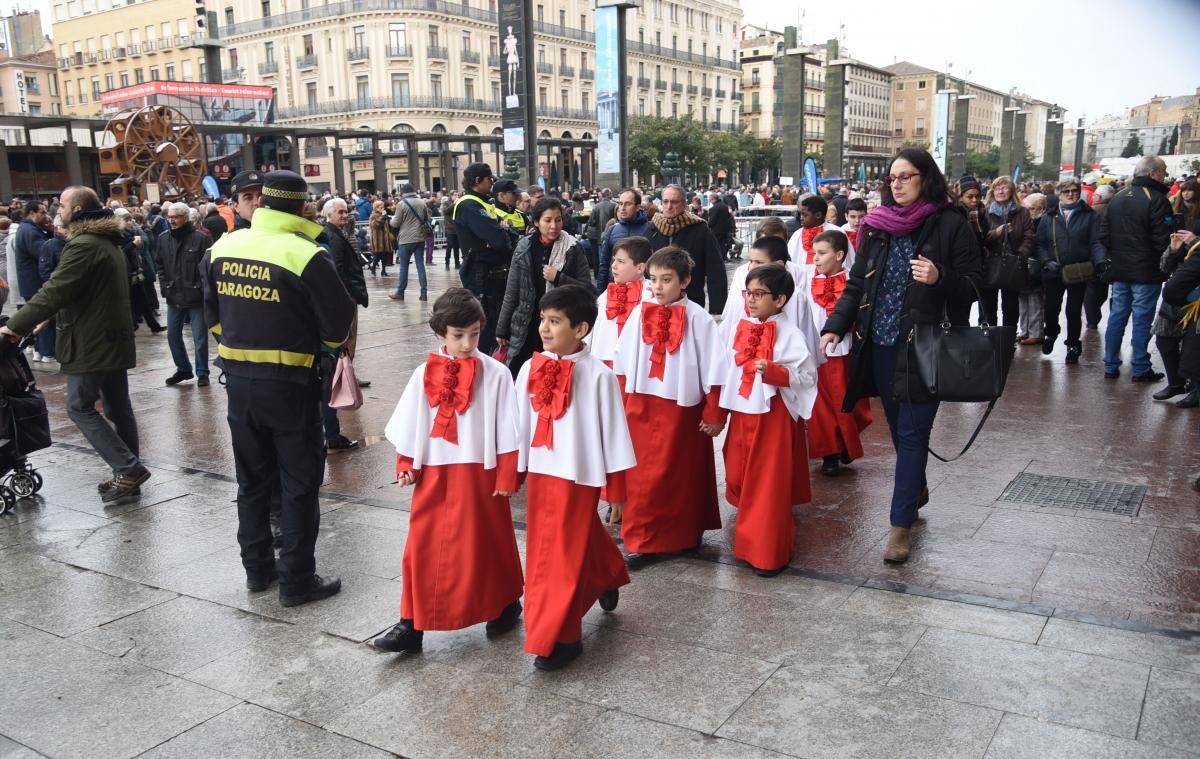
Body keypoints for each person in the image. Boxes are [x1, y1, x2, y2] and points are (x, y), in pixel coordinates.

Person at [819, 148, 983, 564]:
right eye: (892, 178)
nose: (896, 183)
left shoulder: (950, 223)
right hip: (879, 344)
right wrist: (836, 325)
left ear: (926, 178)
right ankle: (916, 488)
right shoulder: (875, 227)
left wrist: (940, 278)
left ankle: (899, 526)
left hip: (925, 346)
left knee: (912, 435)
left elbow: (976, 285)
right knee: (898, 430)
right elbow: (857, 285)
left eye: (905, 176)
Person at [202, 170, 355, 607]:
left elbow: (211, 314)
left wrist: (235, 345)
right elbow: (337, 324)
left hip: (239, 383)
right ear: (302, 205)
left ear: (264, 201)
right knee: (298, 482)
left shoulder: (223, 246)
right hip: (291, 384)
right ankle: (296, 581)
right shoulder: (305, 253)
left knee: (252, 481)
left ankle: (257, 572)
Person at [374, 288, 524, 655]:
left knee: (487, 544)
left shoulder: (498, 373)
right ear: (440, 333)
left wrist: (509, 473)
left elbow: (509, 426)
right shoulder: (422, 373)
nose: (468, 343)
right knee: (421, 548)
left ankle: (504, 604)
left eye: (474, 333)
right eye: (458, 335)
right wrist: (406, 463)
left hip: (481, 472)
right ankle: (411, 623)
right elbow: (410, 423)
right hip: (435, 472)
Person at [0, 186, 151, 503]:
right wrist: (48, 318)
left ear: (79, 210)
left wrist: (13, 327)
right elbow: (82, 293)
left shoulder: (84, 245)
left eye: (64, 205)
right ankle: (128, 474)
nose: (58, 209)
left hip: (93, 340)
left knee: (79, 407)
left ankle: (128, 468)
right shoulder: (104, 242)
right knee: (117, 408)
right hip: (110, 337)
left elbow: (55, 289)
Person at [514, 285, 633, 670]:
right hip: (542, 470)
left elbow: (615, 433)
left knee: (559, 553)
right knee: (554, 543)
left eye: (555, 322)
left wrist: (616, 490)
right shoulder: (531, 367)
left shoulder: (599, 376)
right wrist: (511, 469)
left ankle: (561, 636)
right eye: (543, 320)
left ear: (580, 329)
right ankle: (608, 572)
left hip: (580, 475)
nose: (545, 329)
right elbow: (516, 422)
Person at [613, 246, 724, 570]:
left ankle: (685, 533)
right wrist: (621, 400)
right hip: (642, 401)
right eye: (653, 280)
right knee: (642, 475)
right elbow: (622, 360)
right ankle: (642, 539)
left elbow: (715, 367)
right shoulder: (639, 313)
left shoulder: (700, 319)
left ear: (686, 280)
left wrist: (714, 410)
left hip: (683, 406)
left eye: (666, 280)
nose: (658, 287)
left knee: (683, 474)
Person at [715, 264, 817, 576]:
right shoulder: (740, 328)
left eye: (760, 294)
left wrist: (774, 372)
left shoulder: (790, 334)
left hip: (773, 418)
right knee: (740, 474)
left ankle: (769, 553)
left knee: (768, 484)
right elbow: (726, 371)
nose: (752, 300)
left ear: (781, 299)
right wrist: (720, 412)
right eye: (749, 293)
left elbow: (808, 376)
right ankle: (749, 544)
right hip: (743, 414)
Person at [496, 197, 594, 376]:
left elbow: (587, 289)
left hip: (558, 325)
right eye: (547, 220)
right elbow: (512, 291)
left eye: (558, 220)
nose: (554, 226)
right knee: (522, 376)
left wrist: (558, 277)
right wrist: (502, 329)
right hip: (526, 325)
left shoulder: (572, 248)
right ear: (536, 222)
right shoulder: (524, 247)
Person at [1102, 155, 1173, 381]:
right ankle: (1140, 366)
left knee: (1117, 316)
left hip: (1121, 269)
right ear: (1152, 174)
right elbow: (1163, 240)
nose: (1165, 175)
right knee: (1142, 319)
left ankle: (1110, 364)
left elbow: (1105, 234)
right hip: (1146, 270)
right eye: (1163, 171)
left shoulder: (1118, 197)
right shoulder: (1157, 199)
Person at [808, 229, 872, 477]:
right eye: (814, 253)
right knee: (821, 406)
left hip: (846, 352)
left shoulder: (853, 284)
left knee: (849, 402)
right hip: (818, 354)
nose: (815, 258)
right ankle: (830, 452)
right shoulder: (807, 281)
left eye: (822, 253)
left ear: (840, 255)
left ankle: (847, 441)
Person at [1036, 179, 1106, 365]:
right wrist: (1046, 261)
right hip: (1053, 271)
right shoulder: (1048, 217)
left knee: (1073, 311)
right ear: (1059, 193)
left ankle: (1073, 344)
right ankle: (1051, 333)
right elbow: (1040, 244)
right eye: (1066, 191)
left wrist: (1100, 261)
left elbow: (1096, 241)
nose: (1070, 194)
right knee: (1051, 308)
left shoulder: (1090, 215)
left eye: (1074, 190)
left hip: (1078, 270)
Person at [318, 197, 369, 451]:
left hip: (341, 301)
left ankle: (331, 432)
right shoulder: (332, 238)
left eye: (346, 211)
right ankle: (332, 433)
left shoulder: (337, 234)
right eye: (340, 212)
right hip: (342, 302)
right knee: (339, 354)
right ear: (327, 214)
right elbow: (337, 271)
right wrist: (347, 297)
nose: (345, 215)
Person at [454, 163, 514, 354]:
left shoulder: (482, 202)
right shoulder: (468, 205)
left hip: (492, 272)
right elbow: (498, 238)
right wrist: (501, 232)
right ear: (478, 180)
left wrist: (503, 232)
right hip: (481, 273)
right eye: (489, 179)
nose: (492, 183)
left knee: (496, 323)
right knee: (485, 328)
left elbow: (505, 235)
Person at [644, 185, 728, 314]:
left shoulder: (700, 229)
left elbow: (715, 270)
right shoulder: (652, 228)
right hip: (656, 302)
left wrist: (717, 308)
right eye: (665, 201)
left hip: (691, 302)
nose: (669, 206)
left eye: (674, 202)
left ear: (684, 204)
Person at [155, 202, 213, 386]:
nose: (171, 220)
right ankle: (183, 369)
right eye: (169, 217)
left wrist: (201, 288)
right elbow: (160, 265)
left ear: (185, 218)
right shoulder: (163, 238)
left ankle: (202, 372)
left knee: (200, 338)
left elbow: (208, 267)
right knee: (172, 335)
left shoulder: (201, 238)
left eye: (175, 217)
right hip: (174, 295)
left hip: (195, 297)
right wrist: (164, 286)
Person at [587, 235, 651, 367]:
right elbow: (593, 330)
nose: (613, 266)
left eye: (621, 261)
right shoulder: (606, 295)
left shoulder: (650, 294)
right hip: (604, 360)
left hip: (637, 363)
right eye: (613, 260)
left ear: (640, 268)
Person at [981, 175, 1035, 329]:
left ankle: (1008, 338)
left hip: (1013, 264)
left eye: (1004, 187)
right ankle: (990, 337)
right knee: (988, 306)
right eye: (997, 187)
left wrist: (1021, 254)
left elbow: (1029, 236)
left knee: (1010, 306)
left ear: (1011, 191)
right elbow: (980, 238)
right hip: (990, 264)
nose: (1000, 191)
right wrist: (996, 233)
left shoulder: (1022, 212)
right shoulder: (984, 211)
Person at [1153, 227, 1200, 405]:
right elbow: (1164, 267)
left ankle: (1195, 390)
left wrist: (1195, 243)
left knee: (1194, 347)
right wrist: (1173, 250)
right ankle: (1176, 383)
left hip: (1195, 298)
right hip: (1175, 296)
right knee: (1163, 339)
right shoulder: (1184, 227)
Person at [116, 208, 163, 334]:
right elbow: (120, 253)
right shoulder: (117, 235)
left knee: (143, 300)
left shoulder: (132, 231)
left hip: (135, 270)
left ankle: (153, 325)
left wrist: (138, 244)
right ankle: (132, 325)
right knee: (130, 301)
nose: (130, 222)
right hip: (126, 272)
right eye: (127, 220)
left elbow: (145, 243)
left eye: (130, 220)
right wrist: (133, 244)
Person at [596, 189, 652, 292]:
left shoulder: (650, 229)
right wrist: (600, 291)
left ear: (638, 207)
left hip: (642, 290)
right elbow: (604, 263)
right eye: (620, 204)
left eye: (627, 204)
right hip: (616, 288)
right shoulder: (612, 230)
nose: (622, 208)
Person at [389, 182, 431, 302]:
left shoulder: (402, 204)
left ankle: (400, 292)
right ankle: (423, 293)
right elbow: (426, 218)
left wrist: (390, 220)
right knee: (420, 266)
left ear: (403, 193)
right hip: (420, 238)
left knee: (403, 267)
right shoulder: (422, 202)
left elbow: (395, 223)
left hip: (406, 239)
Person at [788, 195, 850, 271]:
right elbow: (790, 262)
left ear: (818, 215)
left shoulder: (837, 233)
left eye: (805, 215)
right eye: (800, 214)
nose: (801, 218)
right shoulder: (797, 235)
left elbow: (847, 262)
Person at [1017, 193, 1047, 346]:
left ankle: (1035, 332)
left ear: (1041, 208)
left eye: (1032, 208)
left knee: (1035, 300)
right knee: (1023, 299)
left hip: (1036, 265)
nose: (1029, 211)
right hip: (1025, 264)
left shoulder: (1043, 222)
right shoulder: (1027, 221)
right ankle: (1024, 330)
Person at [1085, 183, 1115, 328]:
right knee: (1103, 287)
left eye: (1095, 196)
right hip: (1111, 254)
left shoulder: (1092, 211)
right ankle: (1096, 315)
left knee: (1092, 286)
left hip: (1094, 254)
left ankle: (1092, 319)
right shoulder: (1116, 210)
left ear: (1099, 197)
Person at [706, 191, 736, 261]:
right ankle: (723, 257)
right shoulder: (725, 206)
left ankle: (717, 258)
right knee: (723, 245)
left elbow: (712, 221)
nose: (709, 201)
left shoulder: (714, 208)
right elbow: (729, 217)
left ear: (713, 199)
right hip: (725, 230)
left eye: (710, 199)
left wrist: (708, 225)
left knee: (716, 245)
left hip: (716, 231)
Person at [367, 200, 394, 276]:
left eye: (383, 206)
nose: (382, 208)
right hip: (378, 239)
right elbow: (375, 225)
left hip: (384, 238)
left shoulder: (383, 214)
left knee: (385, 255)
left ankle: (383, 271)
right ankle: (373, 267)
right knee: (377, 256)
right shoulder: (373, 215)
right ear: (376, 207)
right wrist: (383, 217)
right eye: (380, 206)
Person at [440, 191, 461, 269]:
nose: (457, 196)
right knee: (450, 245)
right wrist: (454, 204)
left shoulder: (458, 203)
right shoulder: (447, 203)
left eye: (458, 195)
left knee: (456, 246)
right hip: (449, 228)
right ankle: (447, 262)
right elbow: (446, 211)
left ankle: (457, 263)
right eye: (455, 195)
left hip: (457, 228)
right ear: (451, 196)